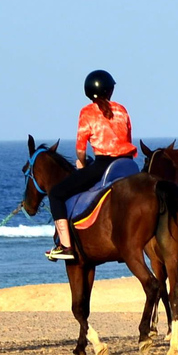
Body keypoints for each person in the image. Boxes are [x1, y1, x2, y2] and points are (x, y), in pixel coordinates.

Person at [45, 70, 137, 261]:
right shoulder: (122, 109)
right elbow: (127, 139)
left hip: (104, 164)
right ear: (110, 90)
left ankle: (66, 246)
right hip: (128, 165)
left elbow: (80, 149)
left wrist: (83, 162)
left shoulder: (87, 112)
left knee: (56, 193)